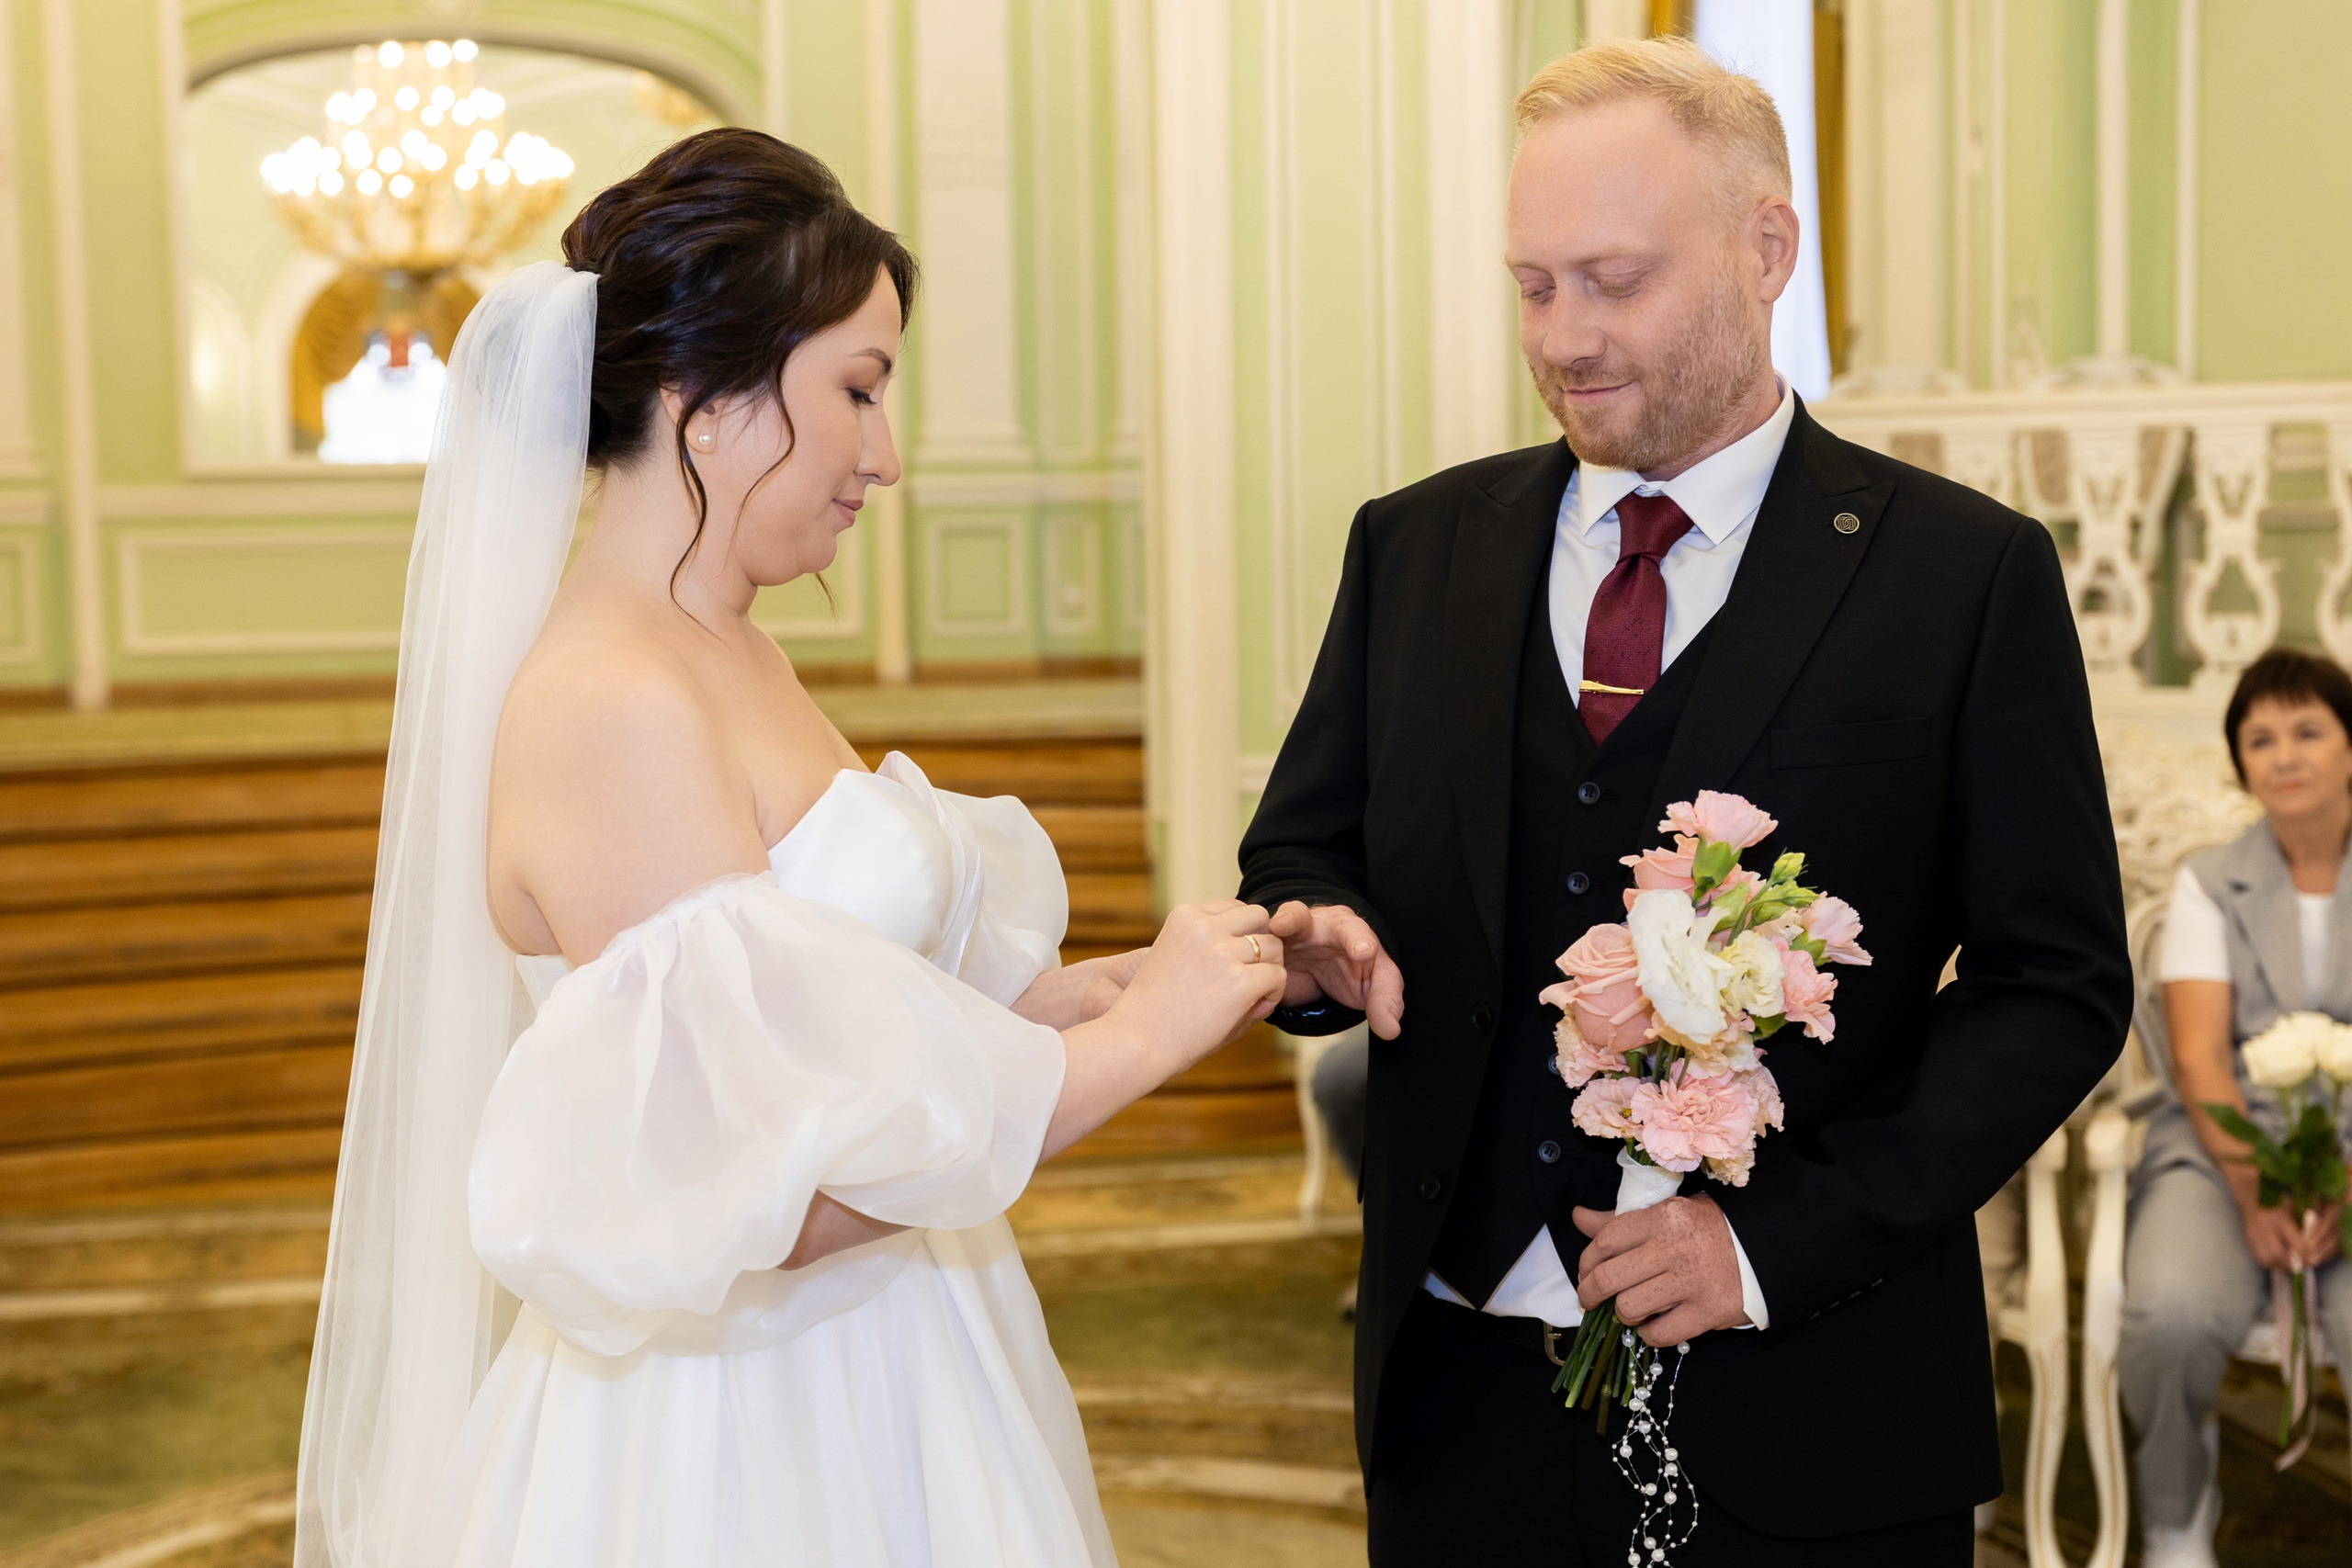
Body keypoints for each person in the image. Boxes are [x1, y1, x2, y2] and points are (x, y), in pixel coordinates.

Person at [292, 129, 1287, 1568]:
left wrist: (1128, 983)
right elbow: (763, 1197)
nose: (885, 458)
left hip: (899, 1348)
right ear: (708, 405)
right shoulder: (612, 697)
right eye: (859, 392)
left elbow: (832, 1031)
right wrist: (1140, 1051)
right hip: (737, 1433)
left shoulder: (721, 641)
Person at [1242, 37, 2130, 1565]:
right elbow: (1307, 844)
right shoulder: (1416, 548)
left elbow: (2053, 985)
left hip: (1814, 1418)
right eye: (1532, 286)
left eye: (1615, 279)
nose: (1564, 337)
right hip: (1457, 1408)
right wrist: (1314, 934)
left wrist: (1775, 1244)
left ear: (1766, 247)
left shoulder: (1959, 578)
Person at [2122, 648, 2352, 1568]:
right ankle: (2176, 1517)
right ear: (2240, 764)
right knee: (2169, 1311)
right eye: (2259, 738)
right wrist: (2258, 1191)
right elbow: (2198, 1059)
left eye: (2307, 730)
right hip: (2218, 1146)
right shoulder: (2206, 883)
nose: (2283, 753)